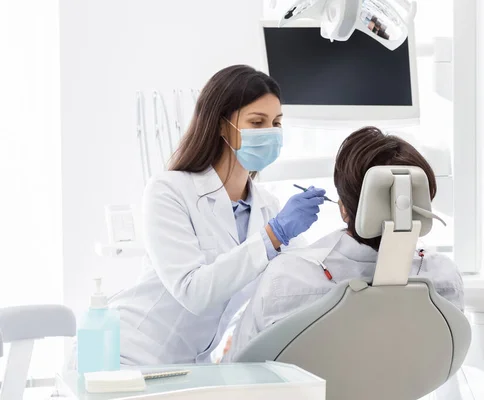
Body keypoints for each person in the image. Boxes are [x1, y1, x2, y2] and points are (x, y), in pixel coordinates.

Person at [109, 65, 327, 365]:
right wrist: (272, 236)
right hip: (128, 353)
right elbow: (192, 291)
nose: (271, 133)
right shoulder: (169, 191)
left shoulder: (269, 207)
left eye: (276, 123)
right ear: (222, 125)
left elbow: (309, 276)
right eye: (257, 121)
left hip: (189, 366)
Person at [221, 126, 464, 362]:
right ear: (422, 202)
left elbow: (239, 367)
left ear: (344, 209)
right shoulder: (444, 278)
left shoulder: (288, 278)